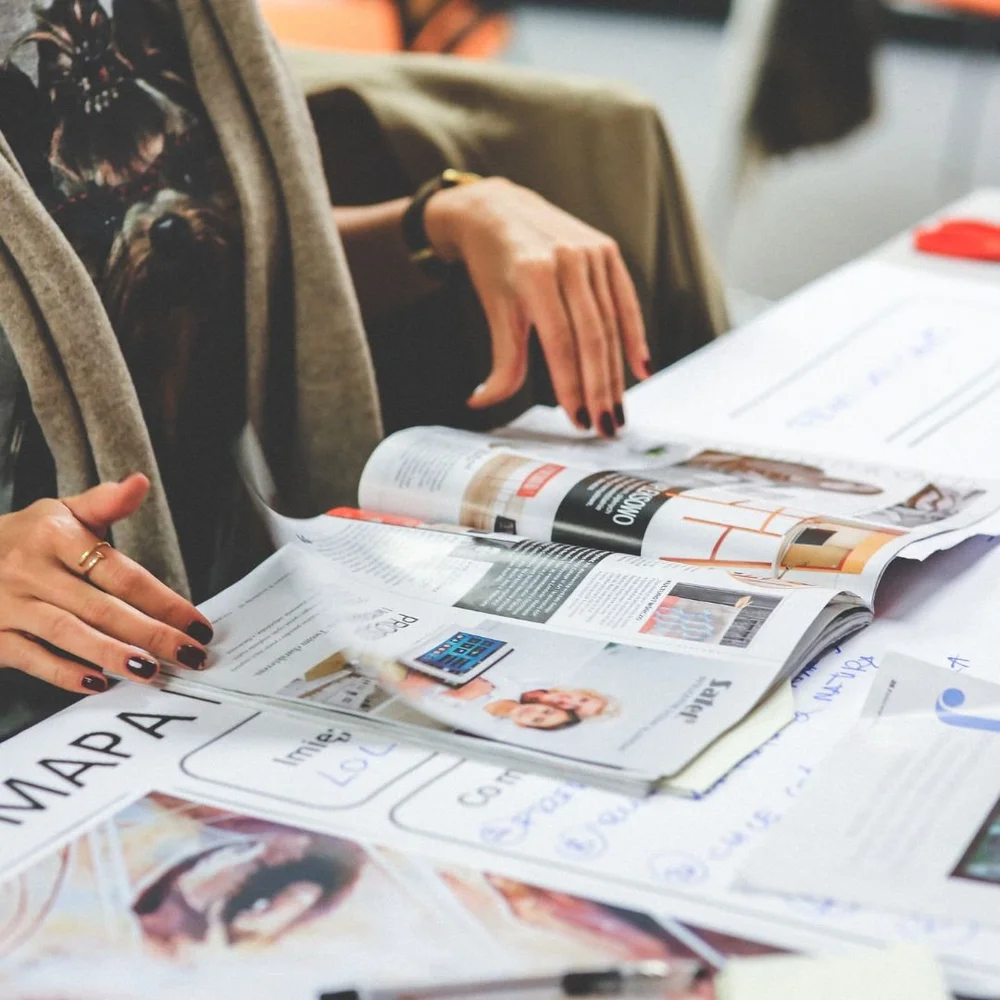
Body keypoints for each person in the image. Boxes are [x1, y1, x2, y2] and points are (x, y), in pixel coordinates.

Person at [0, 0, 725, 729]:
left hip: (235, 607)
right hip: (51, 699)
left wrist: (440, 222)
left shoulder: (195, 15)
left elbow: (211, 279)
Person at [484, 698, 581, 731]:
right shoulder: (510, 685)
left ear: (522, 725)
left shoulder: (485, 726)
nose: (533, 714)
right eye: (546, 711)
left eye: (537, 720)